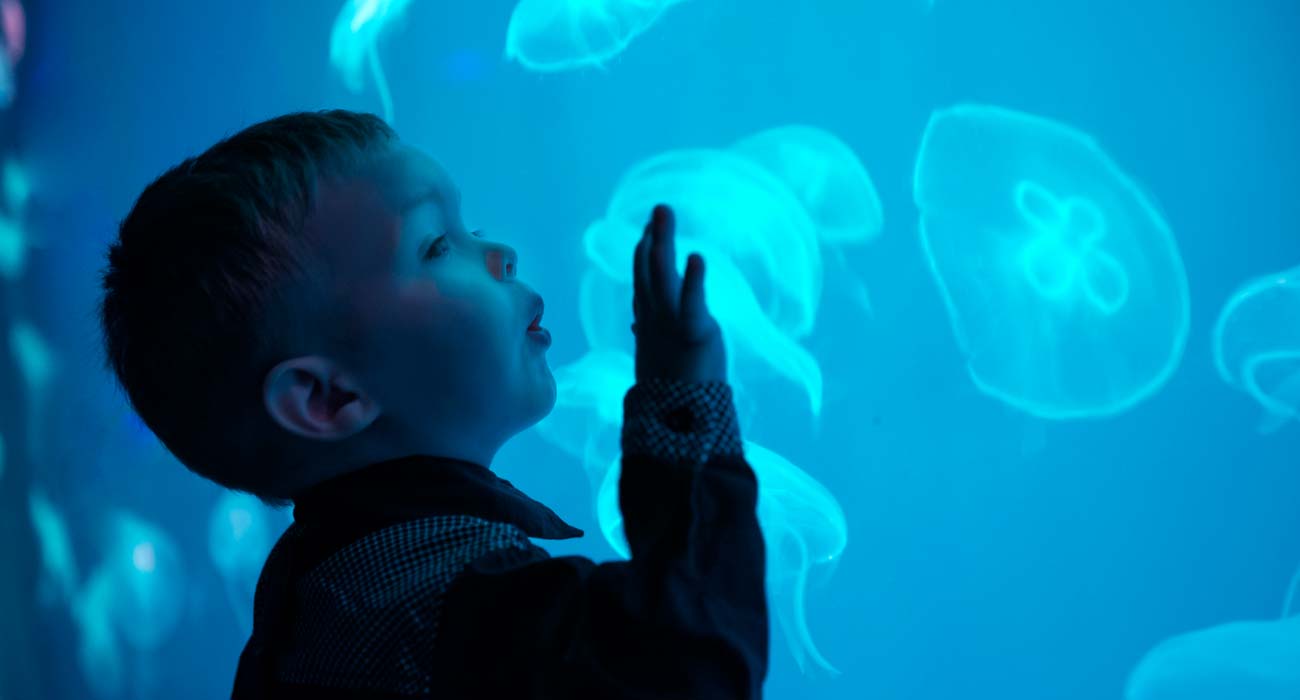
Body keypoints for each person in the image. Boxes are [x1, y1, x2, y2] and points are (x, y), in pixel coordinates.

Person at [98, 110, 767, 698]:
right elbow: (694, 667)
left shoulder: (323, 599)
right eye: (437, 245)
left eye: (469, 228)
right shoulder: (444, 613)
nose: (499, 254)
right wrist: (684, 406)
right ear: (327, 397)